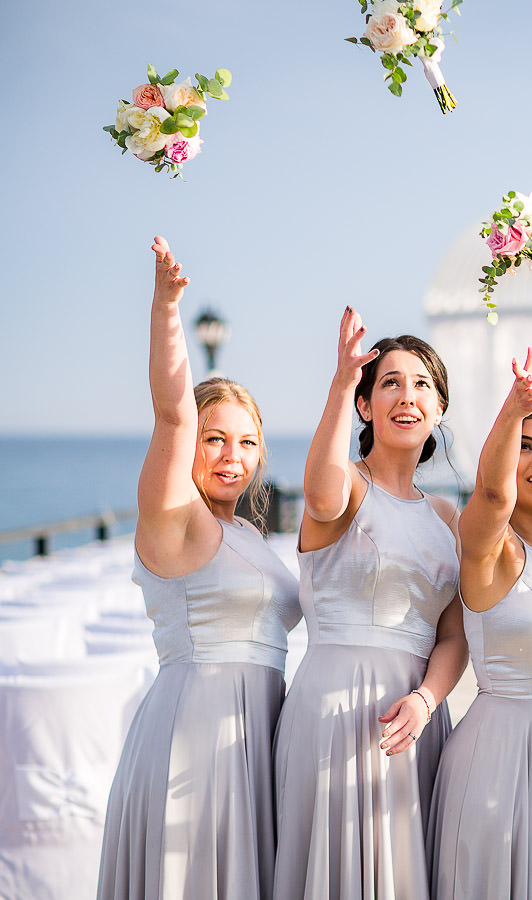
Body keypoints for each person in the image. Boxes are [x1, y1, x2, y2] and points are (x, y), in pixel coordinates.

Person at [97, 237, 301, 900]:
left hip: (259, 744)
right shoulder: (174, 518)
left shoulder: (245, 530)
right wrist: (166, 311)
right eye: (215, 438)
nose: (231, 455)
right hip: (194, 738)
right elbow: (170, 411)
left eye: (247, 442)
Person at [273, 311, 468, 900]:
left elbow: (454, 637)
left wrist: (427, 700)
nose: (407, 397)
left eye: (422, 386)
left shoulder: (445, 518)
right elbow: (319, 492)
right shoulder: (347, 487)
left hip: (414, 720)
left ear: (437, 411)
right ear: (365, 406)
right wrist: (339, 381)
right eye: (389, 382)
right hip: (333, 711)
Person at [425, 348, 532, 899]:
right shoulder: (488, 548)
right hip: (500, 753)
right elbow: (494, 495)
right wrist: (512, 410)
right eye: (524, 447)